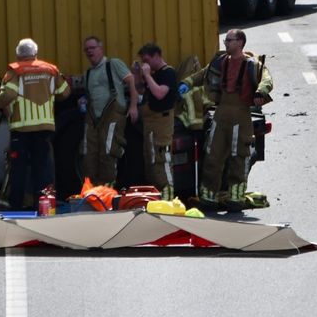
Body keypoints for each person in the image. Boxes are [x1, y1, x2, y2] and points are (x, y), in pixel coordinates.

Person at [184, 29, 273, 212]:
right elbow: (202, 74)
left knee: (239, 157)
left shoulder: (253, 65)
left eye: (229, 40)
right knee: (212, 155)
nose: (226, 43)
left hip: (241, 115)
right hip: (221, 113)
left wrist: (260, 92)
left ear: (240, 42)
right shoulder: (220, 62)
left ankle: (236, 198)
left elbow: (267, 80)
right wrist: (187, 83)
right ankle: (208, 197)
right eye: (226, 40)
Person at [0, 38, 70, 210]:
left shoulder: (16, 71)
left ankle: (16, 207)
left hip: (21, 129)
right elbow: (64, 92)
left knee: (18, 169)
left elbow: (7, 95)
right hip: (44, 128)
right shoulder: (51, 70)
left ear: (18, 55)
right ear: (35, 54)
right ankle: (45, 207)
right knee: (43, 168)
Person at [79, 36, 138, 187]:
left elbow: (132, 82)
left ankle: (107, 189)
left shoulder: (113, 64)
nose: (89, 51)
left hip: (113, 113)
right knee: (88, 151)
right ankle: (92, 189)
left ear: (101, 48)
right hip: (94, 118)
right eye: (86, 49)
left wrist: (133, 106)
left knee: (108, 149)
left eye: (92, 48)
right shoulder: (88, 74)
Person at [137, 42, 179, 200]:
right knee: (151, 159)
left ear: (156, 56)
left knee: (162, 158)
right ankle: (157, 196)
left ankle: (168, 197)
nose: (145, 64)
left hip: (162, 122)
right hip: (150, 122)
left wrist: (147, 75)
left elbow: (160, 93)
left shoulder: (168, 73)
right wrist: (138, 76)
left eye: (146, 60)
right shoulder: (153, 74)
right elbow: (142, 91)